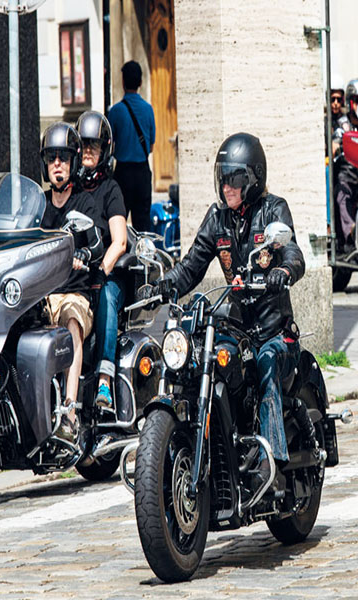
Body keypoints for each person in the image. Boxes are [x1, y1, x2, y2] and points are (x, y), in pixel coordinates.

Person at [141, 133, 306, 480]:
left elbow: (293, 253)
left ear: (253, 178)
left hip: (274, 330)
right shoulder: (217, 219)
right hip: (237, 328)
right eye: (223, 178)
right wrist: (163, 285)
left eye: (235, 179)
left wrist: (282, 270)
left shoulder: (273, 209)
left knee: (265, 364)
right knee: (206, 360)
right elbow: (192, 266)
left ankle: (271, 462)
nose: (227, 187)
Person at [39, 122, 103, 442]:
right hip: (40, 294)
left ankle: (70, 410)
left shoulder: (84, 204)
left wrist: (84, 254)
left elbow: (97, 244)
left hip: (74, 294)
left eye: (63, 158)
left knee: (72, 323)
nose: (58, 165)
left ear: (73, 163)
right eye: (52, 159)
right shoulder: (38, 206)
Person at [77, 110, 128, 410]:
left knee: (107, 293)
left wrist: (99, 272)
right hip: (71, 276)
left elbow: (119, 241)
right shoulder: (67, 189)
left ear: (104, 151)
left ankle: (105, 381)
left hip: (105, 275)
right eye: (83, 146)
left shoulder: (111, 190)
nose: (86, 152)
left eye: (93, 147)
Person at [108, 60, 156, 233]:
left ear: (123, 82)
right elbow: (150, 146)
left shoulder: (115, 111)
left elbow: (109, 145)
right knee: (143, 224)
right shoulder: (148, 109)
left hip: (122, 173)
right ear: (141, 82)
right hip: (142, 172)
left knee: (117, 219)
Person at [334, 78, 358, 250]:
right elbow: (334, 144)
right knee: (342, 193)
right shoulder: (343, 125)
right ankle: (351, 232)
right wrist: (336, 146)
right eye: (356, 100)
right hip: (348, 173)